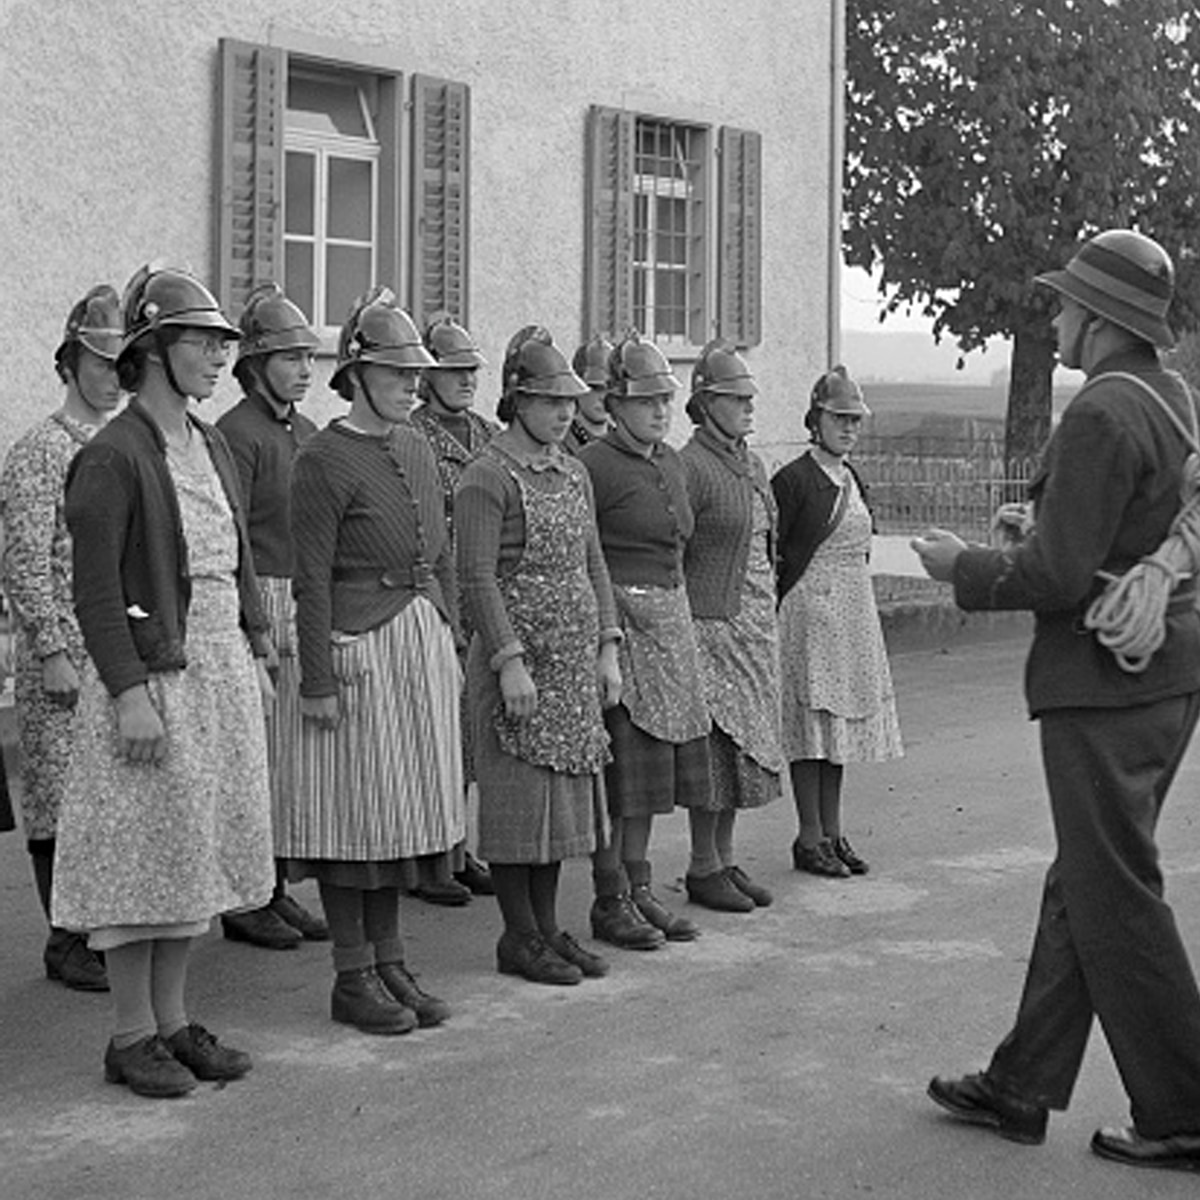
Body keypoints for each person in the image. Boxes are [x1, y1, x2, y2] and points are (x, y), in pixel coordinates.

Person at [913, 229, 1200, 1173]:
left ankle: (1185, 1108)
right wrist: (1044, 530)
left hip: (1103, 687)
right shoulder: (1168, 396)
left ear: (1104, 318)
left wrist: (968, 569)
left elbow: (1059, 571)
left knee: (1113, 892)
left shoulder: (1102, 413)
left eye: (1068, 303)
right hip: (1162, 676)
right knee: (1085, 882)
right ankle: (1023, 1085)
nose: (1056, 316)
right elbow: (1122, 532)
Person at [53, 264, 276, 1098]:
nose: (219, 359)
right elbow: (96, 590)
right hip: (153, 678)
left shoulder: (207, 439)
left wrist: (258, 639)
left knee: (192, 857)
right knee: (139, 860)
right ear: (152, 350)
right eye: (202, 343)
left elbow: (234, 552)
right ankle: (129, 1035)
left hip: (215, 666)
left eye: (223, 345)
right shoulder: (113, 455)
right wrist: (129, 691)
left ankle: (175, 1024)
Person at [288, 286, 460, 1035]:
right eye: (397, 373)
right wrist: (318, 680)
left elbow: (441, 555)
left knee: (401, 816)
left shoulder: (416, 446)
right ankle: (351, 974)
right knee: (351, 818)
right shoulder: (323, 459)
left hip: (415, 641)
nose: (411, 385)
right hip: (355, 644)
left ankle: (390, 960)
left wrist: (449, 633)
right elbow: (310, 577)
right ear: (356, 375)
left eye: (417, 375)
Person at [455, 325, 621, 985]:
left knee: (557, 808)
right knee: (519, 804)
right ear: (517, 399)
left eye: (570, 402)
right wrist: (508, 659)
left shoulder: (574, 472)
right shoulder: (485, 477)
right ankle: (518, 936)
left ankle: (550, 928)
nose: (564, 412)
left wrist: (607, 646)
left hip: (572, 666)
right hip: (518, 670)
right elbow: (475, 577)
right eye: (551, 401)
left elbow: (595, 564)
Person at [0, 284, 123, 990]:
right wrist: (48, 647)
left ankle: (100, 922)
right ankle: (64, 936)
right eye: (100, 364)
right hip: (63, 652)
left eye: (119, 365)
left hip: (109, 646)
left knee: (104, 794)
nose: (112, 377)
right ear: (71, 364)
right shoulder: (40, 450)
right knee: (57, 796)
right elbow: (23, 559)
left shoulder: (116, 444)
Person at [578, 333, 705, 949]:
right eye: (646, 400)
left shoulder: (673, 461)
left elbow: (683, 540)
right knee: (620, 773)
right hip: (618, 629)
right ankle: (611, 896)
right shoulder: (593, 467)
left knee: (652, 777)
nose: (660, 411)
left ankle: (641, 886)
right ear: (614, 403)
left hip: (669, 627)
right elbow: (582, 554)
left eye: (666, 399)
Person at [215, 283, 329, 950]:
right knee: (252, 762)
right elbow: (234, 539)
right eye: (289, 357)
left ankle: (274, 885)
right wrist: (253, 627)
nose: (303, 369)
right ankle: (243, 897)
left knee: (286, 765)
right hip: (258, 603)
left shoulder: (305, 432)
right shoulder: (236, 434)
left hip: (304, 597)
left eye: (309, 357)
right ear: (255, 363)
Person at [770, 366, 902, 879]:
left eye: (854, 420)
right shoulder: (795, 480)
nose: (848, 428)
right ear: (815, 419)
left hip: (851, 611)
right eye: (838, 418)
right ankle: (808, 837)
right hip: (809, 612)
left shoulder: (850, 478)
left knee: (839, 727)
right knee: (813, 726)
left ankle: (832, 831)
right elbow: (776, 552)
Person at [679, 339, 784, 913]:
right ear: (705, 402)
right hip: (709, 623)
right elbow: (675, 547)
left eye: (749, 397)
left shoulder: (752, 462)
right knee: (716, 748)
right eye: (735, 397)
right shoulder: (690, 466)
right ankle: (701, 865)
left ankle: (724, 857)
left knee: (744, 750)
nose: (748, 406)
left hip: (753, 622)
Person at [408, 311, 497, 905]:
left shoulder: (488, 435)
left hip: (482, 587)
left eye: (470, 368)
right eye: (452, 369)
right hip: (437, 589)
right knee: (433, 728)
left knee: (471, 730)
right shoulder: (413, 435)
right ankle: (427, 859)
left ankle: (461, 845)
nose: (465, 379)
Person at [564, 333, 614, 455]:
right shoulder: (557, 444)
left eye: (609, 389)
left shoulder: (626, 442)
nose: (603, 397)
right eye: (595, 388)